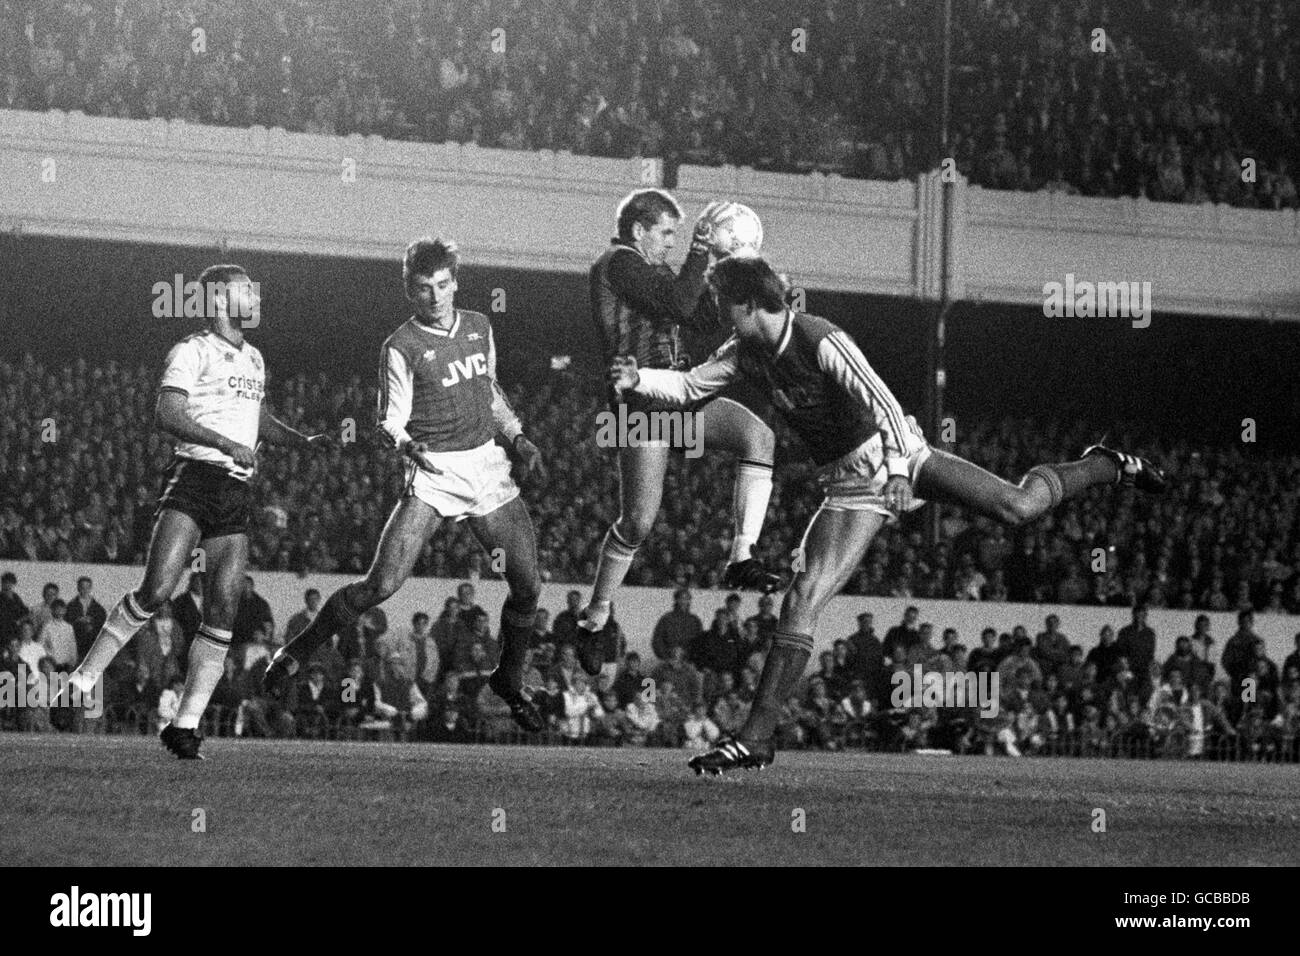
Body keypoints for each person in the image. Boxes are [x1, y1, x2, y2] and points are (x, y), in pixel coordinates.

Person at [610, 254, 1165, 774]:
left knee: (1018, 507)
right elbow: (687, 386)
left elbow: (888, 408)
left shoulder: (820, 338)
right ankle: (755, 739)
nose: (713, 308)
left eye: (720, 299)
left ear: (750, 302)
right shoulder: (743, 349)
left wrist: (901, 472)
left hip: (892, 458)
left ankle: (1100, 466)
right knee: (802, 597)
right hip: (848, 486)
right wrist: (640, 380)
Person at [264, 237, 547, 736]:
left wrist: (519, 437)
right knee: (381, 585)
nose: (435, 297)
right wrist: (405, 445)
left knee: (528, 586)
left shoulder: (480, 326)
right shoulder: (400, 346)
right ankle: (297, 650)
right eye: (423, 288)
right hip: (434, 470)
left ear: (455, 283)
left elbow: (491, 391)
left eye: (442, 285)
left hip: (484, 465)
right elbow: (388, 419)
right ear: (408, 291)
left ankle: (508, 677)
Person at [66, 264, 327, 759]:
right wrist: (226, 443)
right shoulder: (192, 349)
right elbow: (167, 413)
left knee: (224, 609)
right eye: (246, 290)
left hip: (236, 492)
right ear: (220, 299)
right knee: (157, 589)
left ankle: (183, 726)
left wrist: (299, 440)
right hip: (194, 480)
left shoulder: (254, 358)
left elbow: (259, 417)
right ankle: (83, 678)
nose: (255, 296)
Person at [576, 189, 783, 672]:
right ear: (638, 231)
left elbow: (699, 316)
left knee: (759, 437)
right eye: (666, 232)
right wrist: (698, 251)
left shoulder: (653, 271)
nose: (671, 242)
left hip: (676, 396)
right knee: (638, 524)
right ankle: (595, 616)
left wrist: (732, 276)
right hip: (640, 406)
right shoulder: (618, 262)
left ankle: (743, 554)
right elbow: (673, 303)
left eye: (676, 235)